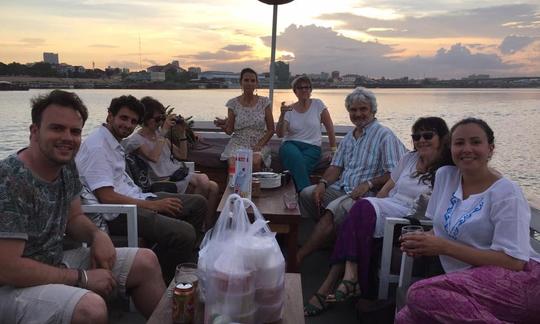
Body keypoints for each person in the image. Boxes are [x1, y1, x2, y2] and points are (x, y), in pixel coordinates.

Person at [0, 90, 165, 323]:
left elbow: (75, 217)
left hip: (54, 261)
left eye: (75, 131)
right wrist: (82, 278)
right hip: (10, 286)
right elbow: (7, 267)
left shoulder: (65, 166)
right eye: (57, 128)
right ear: (34, 132)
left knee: (146, 262)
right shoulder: (10, 179)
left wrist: (97, 235)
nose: (67, 137)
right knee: (90, 308)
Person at [304, 117, 453, 316]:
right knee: (360, 209)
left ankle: (333, 285)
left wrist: (371, 206)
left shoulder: (447, 171)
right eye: (416, 136)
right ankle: (348, 278)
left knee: (361, 209)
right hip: (390, 207)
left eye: (428, 135)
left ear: (442, 138)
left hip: (408, 219)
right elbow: (386, 191)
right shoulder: (409, 159)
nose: (421, 140)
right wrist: (374, 204)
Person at [396, 118, 540, 323]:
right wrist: (422, 242)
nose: (467, 149)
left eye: (475, 142)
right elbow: (441, 230)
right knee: (405, 317)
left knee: (418, 294)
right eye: (459, 143)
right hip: (465, 282)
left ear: (490, 149)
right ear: (451, 148)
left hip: (518, 284)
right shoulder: (446, 176)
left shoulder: (506, 192)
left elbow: (514, 262)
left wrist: (444, 247)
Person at [76, 95, 207, 283]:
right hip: (119, 213)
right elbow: (107, 197)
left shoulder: (112, 142)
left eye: (133, 121)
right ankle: (165, 280)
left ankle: (179, 261)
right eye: (123, 118)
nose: (128, 125)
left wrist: (150, 201)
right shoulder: (98, 146)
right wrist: (154, 206)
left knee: (198, 203)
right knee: (184, 233)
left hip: (138, 197)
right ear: (110, 116)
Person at [297, 87, 406, 265]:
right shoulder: (350, 136)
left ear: (373, 111)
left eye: (363, 109)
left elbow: (395, 174)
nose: (358, 114)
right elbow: (336, 166)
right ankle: (330, 239)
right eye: (353, 110)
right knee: (307, 194)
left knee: (332, 210)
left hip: (366, 196)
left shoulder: (384, 136)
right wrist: (323, 183)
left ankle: (299, 257)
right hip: (342, 188)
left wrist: (369, 184)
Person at [123, 96, 219, 229]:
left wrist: (183, 133)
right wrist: (163, 133)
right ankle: (191, 223)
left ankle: (207, 228)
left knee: (213, 187)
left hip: (176, 174)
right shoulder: (136, 140)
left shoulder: (158, 134)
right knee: (203, 181)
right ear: (144, 119)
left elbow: (182, 155)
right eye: (157, 119)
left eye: (161, 119)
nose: (159, 122)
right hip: (163, 181)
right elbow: (154, 157)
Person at [276, 75, 337, 192]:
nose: (304, 90)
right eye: (300, 87)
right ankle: (307, 195)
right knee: (295, 158)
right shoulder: (289, 109)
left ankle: (298, 193)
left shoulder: (318, 104)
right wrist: (282, 115)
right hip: (290, 145)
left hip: (312, 148)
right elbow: (280, 134)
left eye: (307, 87)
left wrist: (334, 150)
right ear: (295, 91)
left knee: (299, 165)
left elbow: (330, 128)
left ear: (311, 90)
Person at [214, 67, 275, 172]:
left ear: (256, 84)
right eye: (246, 80)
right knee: (233, 163)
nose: (249, 83)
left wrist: (259, 145)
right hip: (238, 142)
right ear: (241, 82)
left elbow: (271, 129)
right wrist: (222, 126)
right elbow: (230, 130)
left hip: (258, 142)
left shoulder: (264, 102)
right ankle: (233, 188)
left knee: (255, 161)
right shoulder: (233, 103)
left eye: (252, 81)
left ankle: (254, 187)